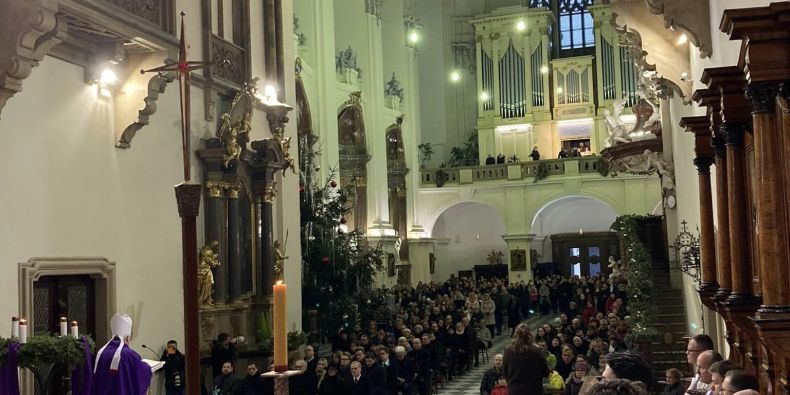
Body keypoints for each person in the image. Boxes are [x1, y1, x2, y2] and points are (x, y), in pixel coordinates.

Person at [91, 314, 152, 395]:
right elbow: (142, 373)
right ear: (127, 338)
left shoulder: (102, 352)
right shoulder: (128, 354)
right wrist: (147, 367)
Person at [502, 323, 549, 394]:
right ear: (529, 334)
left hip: (515, 390)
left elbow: (504, 372)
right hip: (534, 390)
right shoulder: (536, 350)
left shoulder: (508, 351)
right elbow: (546, 372)